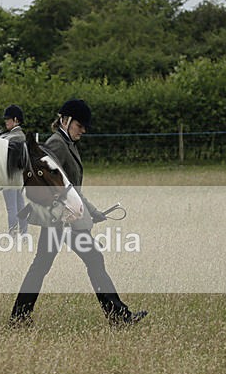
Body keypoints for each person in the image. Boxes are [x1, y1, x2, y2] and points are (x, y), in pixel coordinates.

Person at [10, 99, 147, 327]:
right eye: (79, 125)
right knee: (92, 259)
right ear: (65, 120)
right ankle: (118, 317)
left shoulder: (68, 143)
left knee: (42, 265)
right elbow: (54, 186)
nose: (83, 130)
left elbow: (72, 188)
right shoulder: (56, 144)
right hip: (61, 220)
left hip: (68, 217)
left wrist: (93, 211)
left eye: (84, 126)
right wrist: (81, 213)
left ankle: (19, 316)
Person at [0, 104, 28, 237]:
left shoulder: (12, 138)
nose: (6, 122)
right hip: (19, 177)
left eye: (7, 119)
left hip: (10, 177)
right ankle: (24, 233)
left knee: (12, 208)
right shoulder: (21, 135)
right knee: (20, 206)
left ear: (15, 119)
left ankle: (13, 234)